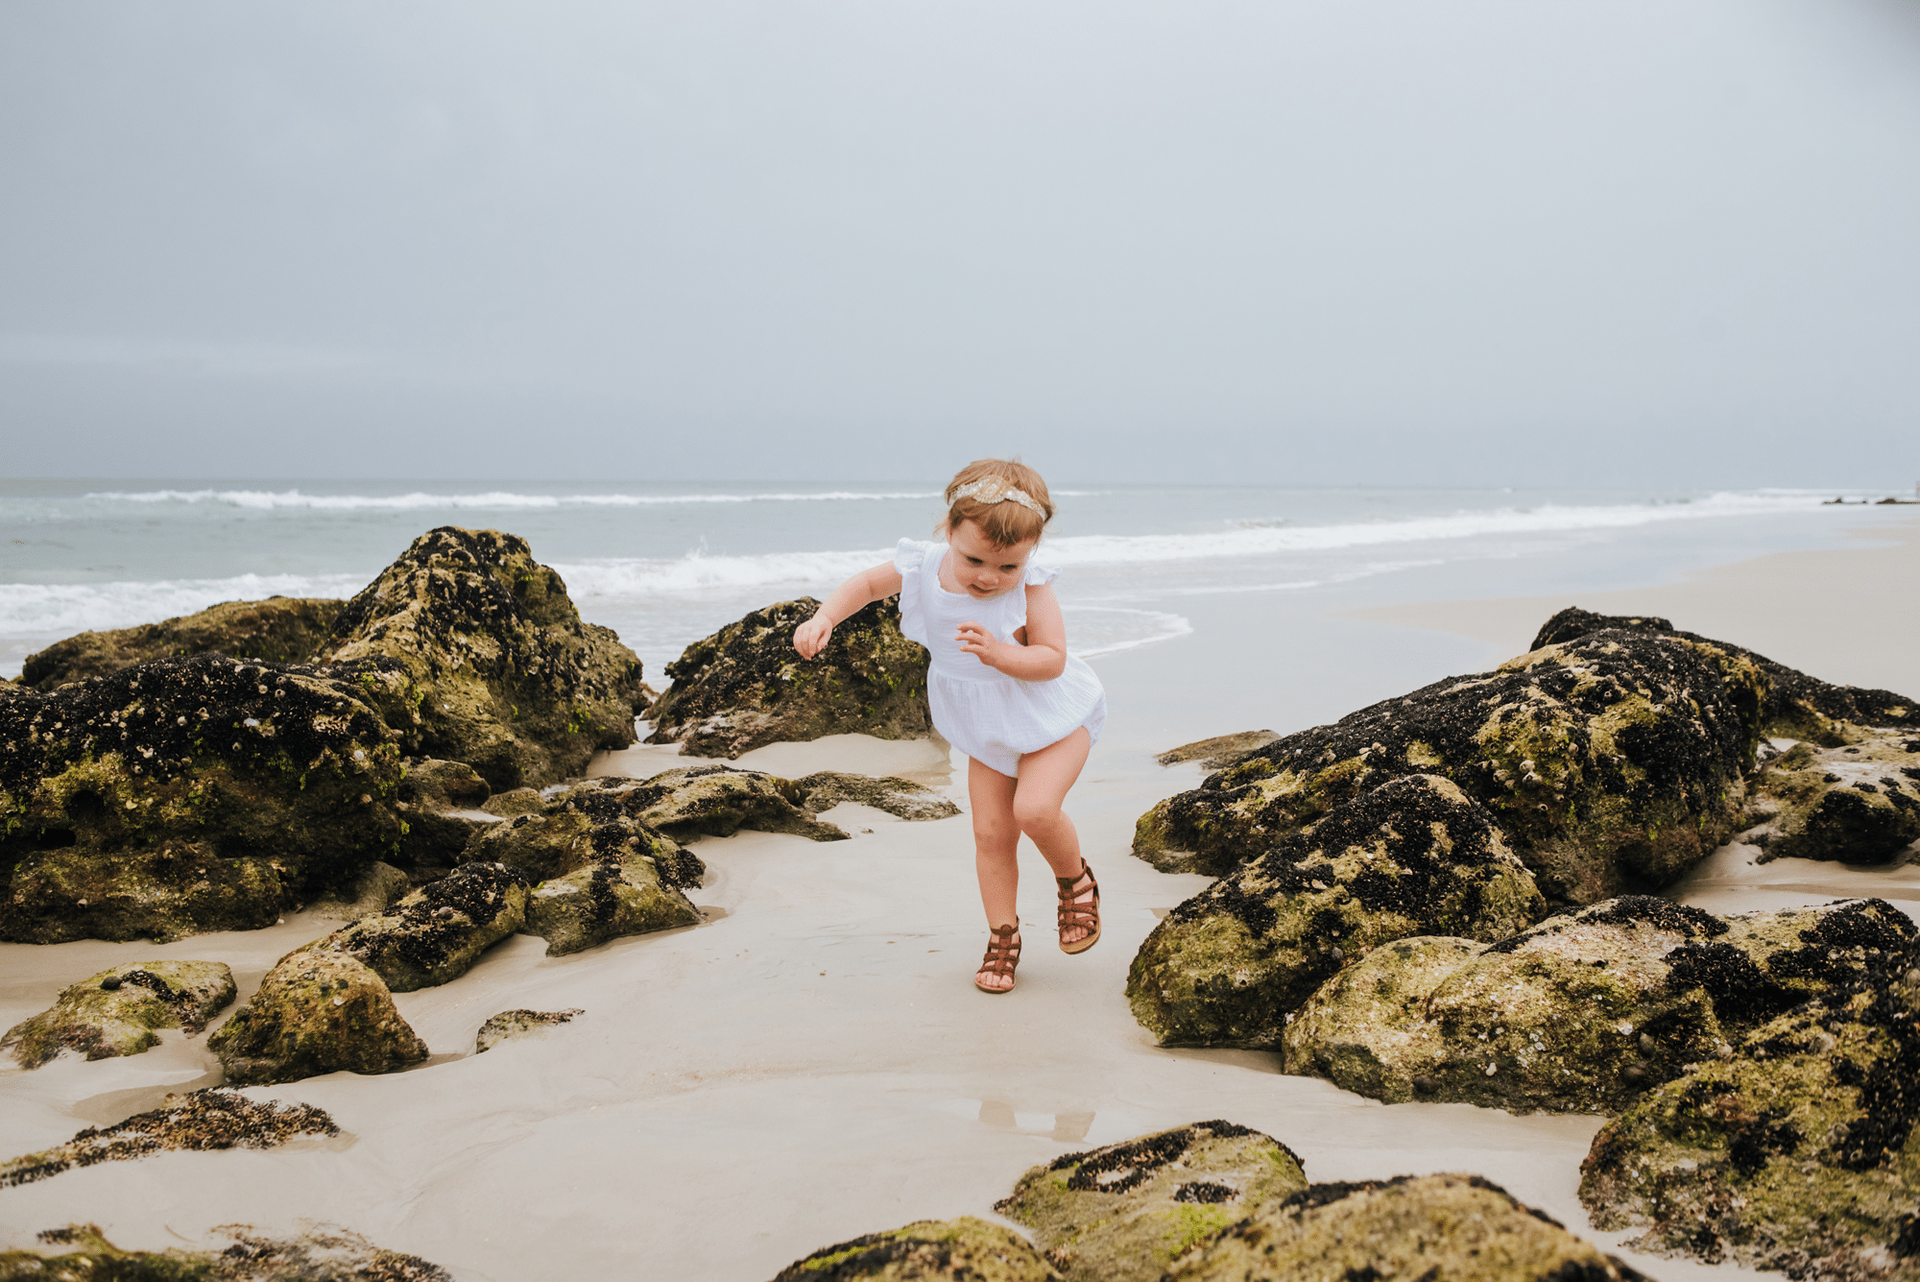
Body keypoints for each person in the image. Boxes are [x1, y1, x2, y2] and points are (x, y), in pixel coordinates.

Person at [792, 459, 1107, 994]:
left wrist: (1002, 654)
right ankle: (1002, 936)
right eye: (975, 560)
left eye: (1006, 567)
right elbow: (868, 584)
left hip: (1052, 715)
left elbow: (1052, 659)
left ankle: (1075, 882)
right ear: (949, 531)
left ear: (1030, 553)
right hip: (984, 724)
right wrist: (824, 617)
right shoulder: (925, 565)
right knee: (990, 833)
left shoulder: (1031, 586)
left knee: (1033, 809)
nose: (989, 577)